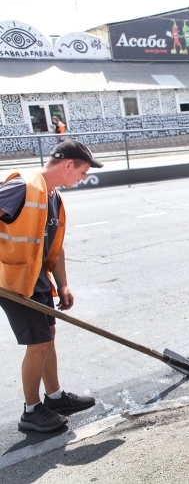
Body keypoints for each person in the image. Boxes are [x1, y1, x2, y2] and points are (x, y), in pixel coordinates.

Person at [0, 139, 103, 433]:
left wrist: (64, 284)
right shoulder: (24, 186)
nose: (83, 178)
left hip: (38, 280)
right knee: (39, 342)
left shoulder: (53, 196)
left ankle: (55, 397)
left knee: (49, 335)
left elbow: (54, 248)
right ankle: (31, 411)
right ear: (69, 165)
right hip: (15, 283)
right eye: (82, 172)